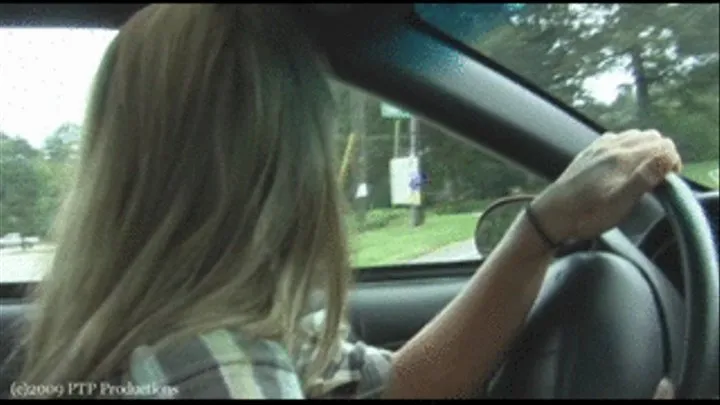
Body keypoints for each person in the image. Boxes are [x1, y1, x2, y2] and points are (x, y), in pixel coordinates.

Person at [13, 4, 679, 399]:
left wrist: (536, 231)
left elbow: (398, 386)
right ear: (281, 173)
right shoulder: (217, 372)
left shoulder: (199, 333)